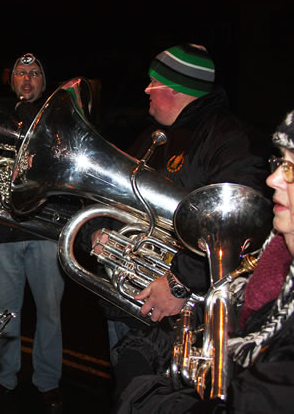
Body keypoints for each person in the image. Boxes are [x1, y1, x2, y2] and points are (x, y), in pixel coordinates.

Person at [93, 44, 269, 359]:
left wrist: (179, 283)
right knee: (128, 392)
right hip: (130, 300)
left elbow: (235, 223)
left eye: (153, 82)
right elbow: (117, 193)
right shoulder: (152, 136)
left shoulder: (231, 140)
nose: (146, 89)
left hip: (185, 314)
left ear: (175, 89)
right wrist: (102, 229)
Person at [113, 110, 294, 413]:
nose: (272, 178)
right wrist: (150, 346)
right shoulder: (269, 273)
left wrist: (140, 390)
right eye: (281, 162)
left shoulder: (225, 135)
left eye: (291, 168)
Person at [0, 53, 65, 414]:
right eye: (20, 73)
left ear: (44, 82)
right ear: (11, 80)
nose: (27, 80)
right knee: (2, 313)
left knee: (49, 313)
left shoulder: (60, 118)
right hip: (3, 231)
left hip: (46, 229)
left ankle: (47, 382)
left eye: (34, 73)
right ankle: (1, 379)